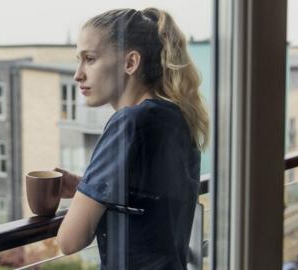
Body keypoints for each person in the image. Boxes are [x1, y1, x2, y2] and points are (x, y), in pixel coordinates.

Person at [55, 7, 209, 270]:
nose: (78, 74)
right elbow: (151, 203)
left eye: (89, 59)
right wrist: (89, 186)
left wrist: (86, 195)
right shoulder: (176, 116)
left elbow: (69, 240)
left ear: (130, 63)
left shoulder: (128, 123)